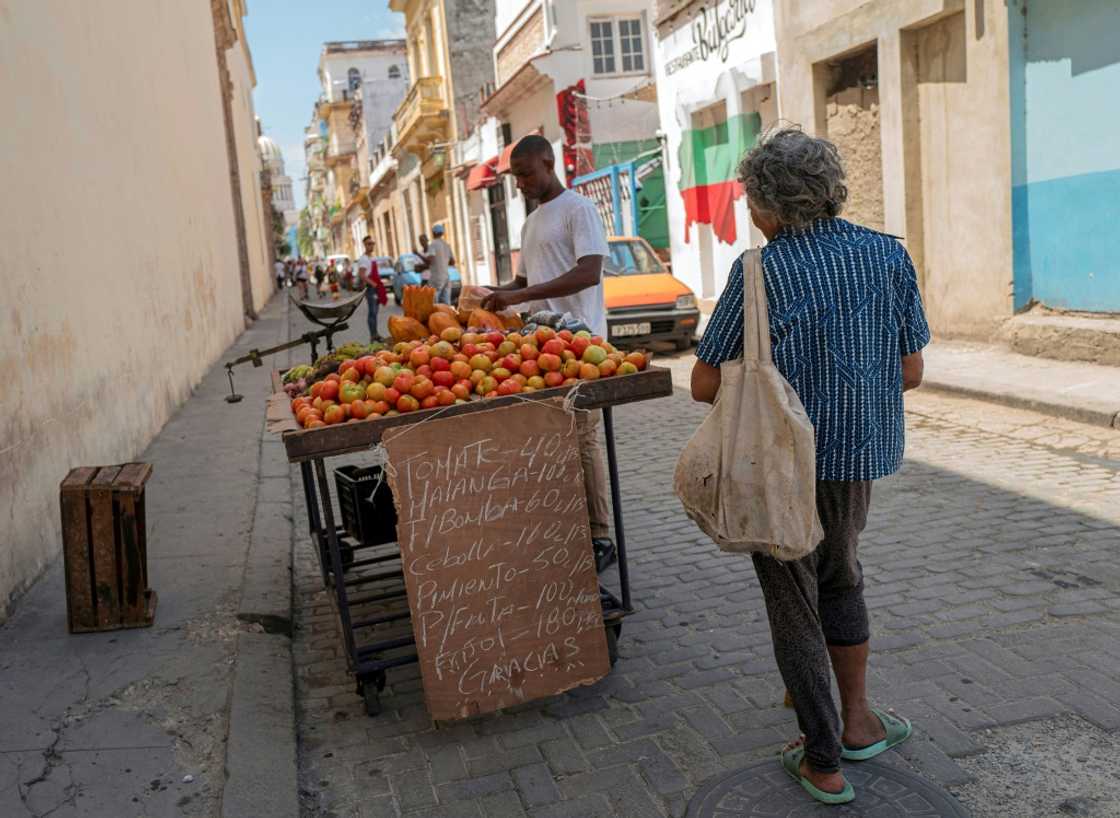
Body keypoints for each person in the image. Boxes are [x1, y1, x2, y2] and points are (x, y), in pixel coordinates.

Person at [689, 127, 929, 805]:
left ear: (769, 204)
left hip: (777, 468)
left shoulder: (759, 272)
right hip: (856, 460)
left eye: (750, 201)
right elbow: (911, 370)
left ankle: (822, 761)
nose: (750, 214)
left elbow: (704, 384)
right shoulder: (887, 254)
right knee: (842, 578)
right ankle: (858, 722)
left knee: (793, 604)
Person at [481, 134, 615, 572]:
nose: (520, 184)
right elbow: (523, 284)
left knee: (583, 438)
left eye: (525, 174)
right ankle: (564, 524)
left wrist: (524, 294)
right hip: (539, 349)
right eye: (516, 178)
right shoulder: (531, 223)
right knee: (548, 439)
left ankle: (600, 535)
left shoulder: (579, 210)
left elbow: (589, 272)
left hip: (583, 347)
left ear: (548, 163)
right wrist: (490, 294)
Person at [357, 235, 388, 341]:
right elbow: (362, 275)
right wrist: (373, 284)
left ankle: (375, 334)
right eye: (369, 244)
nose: (371, 246)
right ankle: (373, 335)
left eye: (372, 243)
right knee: (372, 312)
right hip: (370, 288)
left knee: (375, 312)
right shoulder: (363, 259)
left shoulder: (372, 257)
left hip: (375, 287)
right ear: (365, 245)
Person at [425, 225, 456, 305]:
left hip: (436, 277)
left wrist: (424, 259)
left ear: (434, 233)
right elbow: (452, 262)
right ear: (442, 233)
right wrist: (443, 261)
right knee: (446, 302)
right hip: (446, 277)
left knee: (433, 302)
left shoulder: (433, 244)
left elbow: (430, 258)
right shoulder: (446, 245)